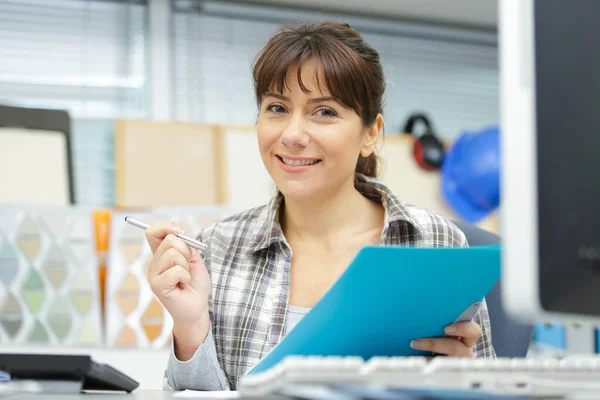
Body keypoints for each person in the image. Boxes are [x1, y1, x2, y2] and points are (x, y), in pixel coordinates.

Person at [145, 21, 496, 391]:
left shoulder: (437, 243)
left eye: (324, 111)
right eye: (277, 107)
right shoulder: (216, 248)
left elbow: (487, 389)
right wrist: (189, 326)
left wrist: (464, 384)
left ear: (370, 133)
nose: (293, 135)